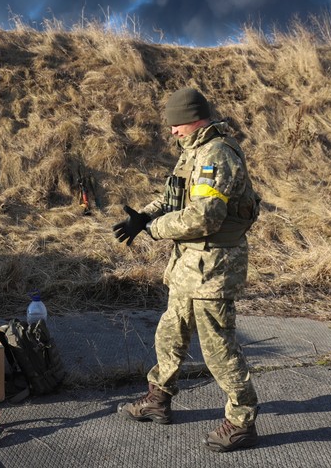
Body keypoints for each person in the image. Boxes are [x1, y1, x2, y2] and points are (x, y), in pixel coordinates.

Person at [112, 87, 262, 452]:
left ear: (194, 119)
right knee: (170, 333)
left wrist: (155, 229)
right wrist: (144, 216)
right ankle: (158, 399)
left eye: (176, 124)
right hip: (187, 265)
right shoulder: (193, 152)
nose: (172, 132)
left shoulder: (217, 155)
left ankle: (242, 420)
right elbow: (172, 198)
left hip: (214, 267)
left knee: (217, 347)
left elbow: (205, 217)